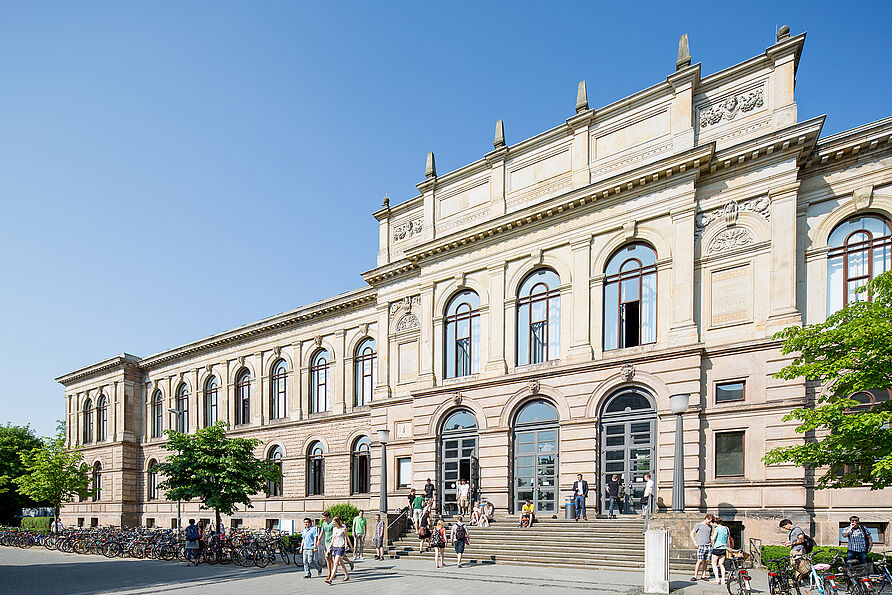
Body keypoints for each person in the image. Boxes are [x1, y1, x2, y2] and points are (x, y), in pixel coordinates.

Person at [326, 516, 353, 584]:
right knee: (341, 563)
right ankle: (347, 576)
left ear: (337, 522)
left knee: (335, 563)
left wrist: (351, 547)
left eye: (334, 522)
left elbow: (347, 538)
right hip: (335, 547)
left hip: (341, 547)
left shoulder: (343, 529)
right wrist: (330, 547)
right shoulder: (334, 529)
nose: (333, 523)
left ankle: (331, 579)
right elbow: (333, 538)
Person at [690, 514, 714, 582]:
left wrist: (712, 543)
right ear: (706, 518)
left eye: (711, 521)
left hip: (708, 545)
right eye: (709, 521)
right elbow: (692, 533)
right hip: (701, 545)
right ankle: (695, 575)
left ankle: (703, 575)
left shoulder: (710, 526)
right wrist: (695, 542)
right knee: (699, 561)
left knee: (705, 561)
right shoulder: (699, 525)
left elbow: (710, 536)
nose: (710, 523)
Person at [710, 517, 729, 585]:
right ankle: (723, 580)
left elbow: (713, 538)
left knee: (714, 563)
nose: (712, 525)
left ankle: (717, 579)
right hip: (724, 548)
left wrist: (711, 538)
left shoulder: (717, 528)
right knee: (721, 564)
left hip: (717, 547)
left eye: (713, 523)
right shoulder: (726, 528)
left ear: (715, 523)